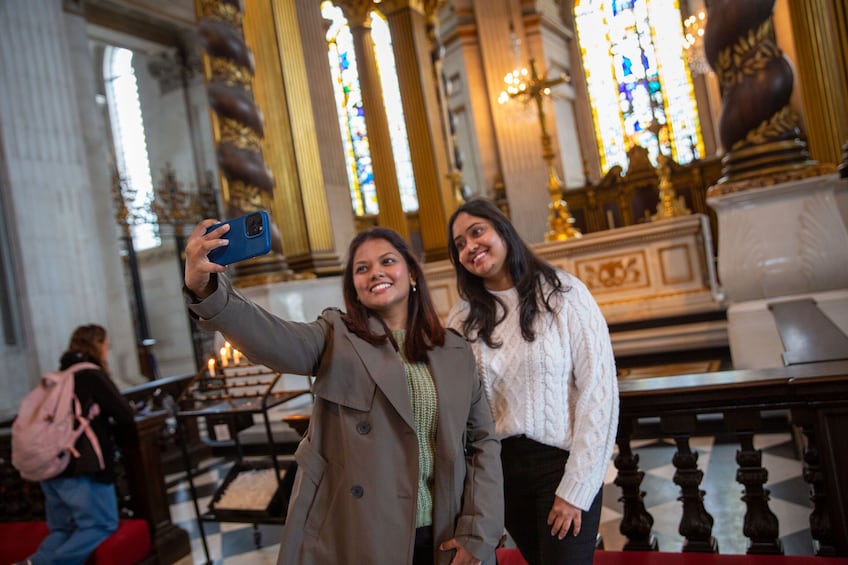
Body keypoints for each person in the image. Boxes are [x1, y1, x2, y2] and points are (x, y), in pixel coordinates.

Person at [183, 222, 504, 565]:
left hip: (444, 534)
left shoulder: (454, 349)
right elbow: (271, 337)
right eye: (362, 268)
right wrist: (207, 289)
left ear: (412, 273)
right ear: (354, 288)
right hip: (363, 537)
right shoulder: (335, 336)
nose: (375, 273)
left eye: (387, 261)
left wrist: (478, 532)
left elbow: (482, 443)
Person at [445, 198, 619, 565]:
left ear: (502, 231)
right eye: (460, 243)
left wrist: (577, 487)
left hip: (560, 465)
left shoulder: (564, 294)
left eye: (477, 232)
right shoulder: (461, 319)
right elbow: (458, 411)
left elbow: (599, 392)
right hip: (502, 473)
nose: (470, 246)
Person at [28, 324, 136, 565]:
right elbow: (124, 414)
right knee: (100, 525)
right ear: (98, 345)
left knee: (63, 530)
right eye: (106, 344)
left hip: (49, 465)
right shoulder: (90, 374)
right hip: (83, 467)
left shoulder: (57, 377)